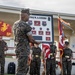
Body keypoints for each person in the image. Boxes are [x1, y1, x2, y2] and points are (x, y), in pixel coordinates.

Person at [13, 9, 40, 75]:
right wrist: (37, 42)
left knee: (20, 67)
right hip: (24, 50)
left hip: (18, 49)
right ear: (25, 15)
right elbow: (31, 39)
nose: (29, 17)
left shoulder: (15, 24)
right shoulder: (26, 26)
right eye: (28, 16)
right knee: (22, 69)